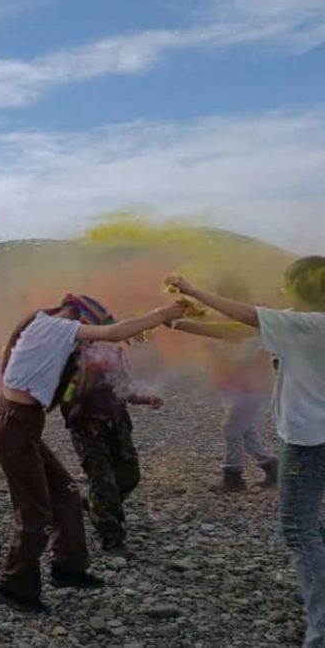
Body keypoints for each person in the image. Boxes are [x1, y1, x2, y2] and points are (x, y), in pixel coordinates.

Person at [0, 293, 186, 613]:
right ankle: (13, 587)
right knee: (35, 511)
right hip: (15, 426)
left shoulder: (51, 327)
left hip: (23, 424)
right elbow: (113, 333)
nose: (88, 337)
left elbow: (113, 340)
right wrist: (163, 313)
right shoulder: (55, 326)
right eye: (88, 328)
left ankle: (69, 568)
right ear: (76, 316)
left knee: (66, 493)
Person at [166, 258, 325, 648]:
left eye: (289, 284)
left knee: (298, 530)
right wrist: (176, 323)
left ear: (305, 288)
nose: (283, 290)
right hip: (313, 438)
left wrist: (193, 290)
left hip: (310, 442)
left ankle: (320, 628)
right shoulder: (301, 321)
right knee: (314, 524)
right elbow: (236, 330)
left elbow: (246, 315)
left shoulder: (313, 323)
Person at [57, 326, 163, 558]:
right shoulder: (69, 355)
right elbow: (63, 395)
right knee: (103, 481)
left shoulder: (115, 353)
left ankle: (97, 505)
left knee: (129, 475)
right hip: (88, 428)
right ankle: (112, 539)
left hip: (117, 423)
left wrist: (147, 397)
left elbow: (126, 387)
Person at [171, 274, 277, 493]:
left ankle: (233, 476)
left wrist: (215, 349)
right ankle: (272, 468)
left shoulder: (255, 317)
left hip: (253, 386)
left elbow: (244, 356)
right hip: (239, 385)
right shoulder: (240, 315)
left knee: (231, 429)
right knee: (244, 429)